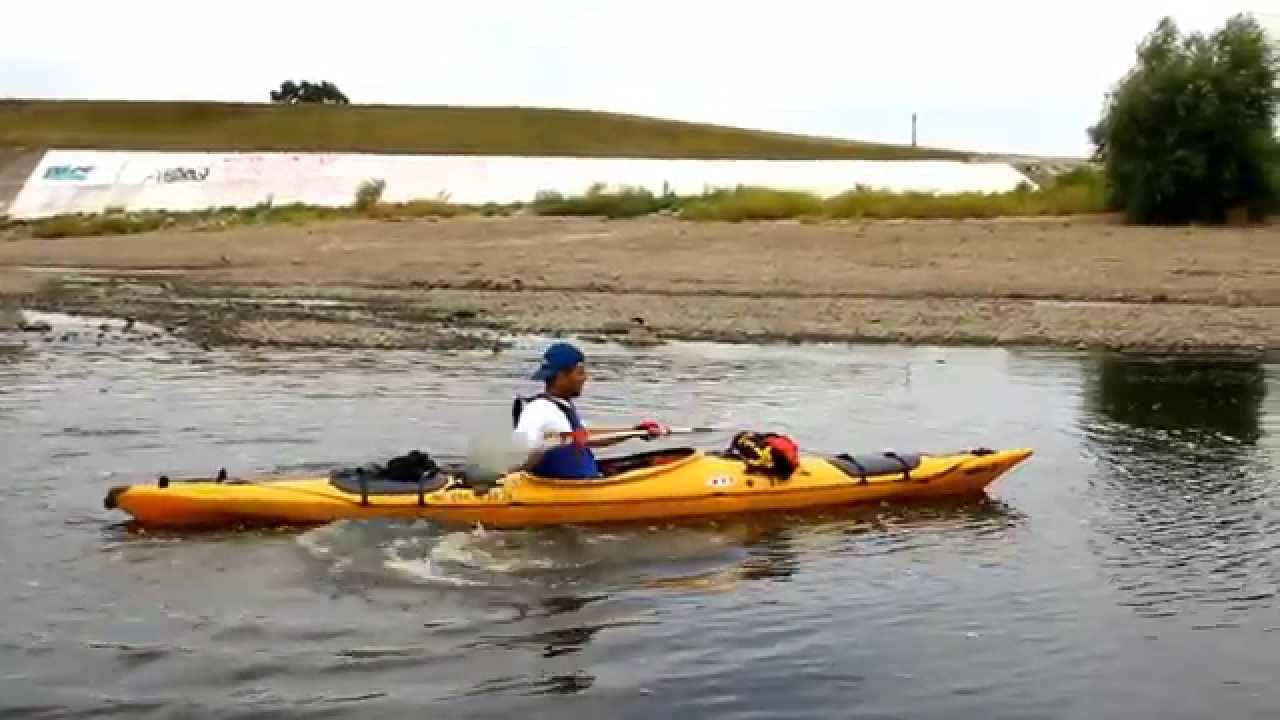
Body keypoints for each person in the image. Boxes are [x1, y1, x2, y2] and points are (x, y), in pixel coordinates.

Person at [512, 342, 669, 479]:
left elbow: (587, 437)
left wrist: (635, 432)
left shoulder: (561, 406)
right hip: (566, 492)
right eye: (580, 372)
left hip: (586, 483)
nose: (585, 378)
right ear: (561, 376)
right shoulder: (538, 410)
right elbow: (520, 455)